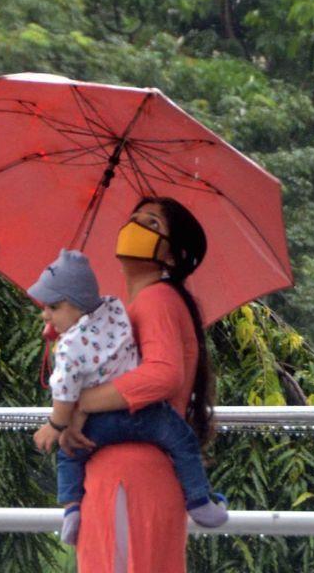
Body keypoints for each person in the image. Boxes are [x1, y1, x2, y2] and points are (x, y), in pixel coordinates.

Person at [58, 196, 218, 572]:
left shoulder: (157, 299)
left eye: (151, 224)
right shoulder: (142, 305)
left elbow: (164, 374)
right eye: (132, 220)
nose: (134, 228)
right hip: (129, 475)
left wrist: (82, 405)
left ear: (173, 257)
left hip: (129, 478)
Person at [28, 249, 227, 546]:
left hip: (99, 426)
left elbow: (64, 392)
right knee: (182, 440)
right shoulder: (115, 310)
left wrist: (56, 426)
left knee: (69, 454)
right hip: (145, 415)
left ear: (78, 304)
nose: (46, 314)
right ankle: (199, 500)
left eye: (53, 307)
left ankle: (70, 508)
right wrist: (66, 322)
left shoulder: (69, 348)